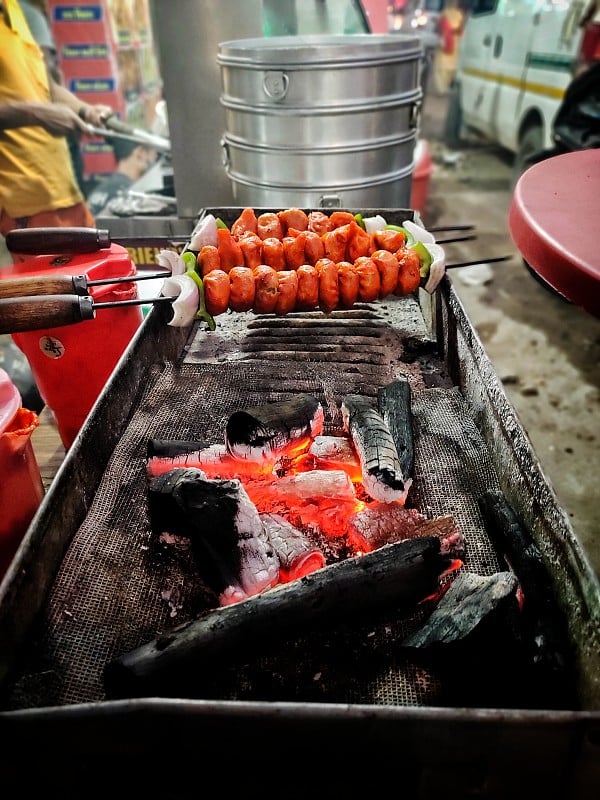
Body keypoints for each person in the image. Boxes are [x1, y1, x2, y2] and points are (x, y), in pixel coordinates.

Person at [0, 0, 113, 246]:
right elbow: (39, 107)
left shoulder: (15, 11)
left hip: (64, 189)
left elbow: (47, 86)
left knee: (96, 278)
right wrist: (38, 114)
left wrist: (85, 110)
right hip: (26, 201)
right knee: (59, 284)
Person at [86, 136, 156, 217]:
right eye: (154, 157)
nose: (154, 163)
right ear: (140, 153)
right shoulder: (133, 195)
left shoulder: (98, 190)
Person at [433, 0, 465, 95]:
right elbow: (461, 29)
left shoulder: (444, 14)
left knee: (441, 67)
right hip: (455, 43)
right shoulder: (459, 14)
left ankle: (442, 88)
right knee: (451, 66)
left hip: (445, 44)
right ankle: (446, 87)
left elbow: (438, 28)